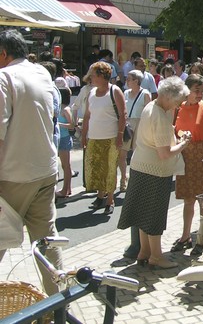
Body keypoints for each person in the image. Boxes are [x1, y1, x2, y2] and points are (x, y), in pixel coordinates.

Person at [0, 29, 63, 294]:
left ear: (3, 54)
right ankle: (59, 302)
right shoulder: (42, 73)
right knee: (47, 240)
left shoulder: (4, 77)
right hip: (45, 168)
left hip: (15, 173)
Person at [117, 77, 191, 269]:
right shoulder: (160, 114)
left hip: (140, 166)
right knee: (155, 215)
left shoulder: (151, 105)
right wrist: (183, 144)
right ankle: (156, 257)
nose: (179, 105)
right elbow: (165, 153)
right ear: (167, 97)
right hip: (155, 172)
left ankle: (144, 252)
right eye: (178, 101)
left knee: (143, 213)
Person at [172, 75, 203, 257]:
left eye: (202, 91)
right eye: (196, 90)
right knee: (188, 199)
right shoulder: (179, 108)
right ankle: (185, 237)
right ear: (187, 90)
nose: (200, 94)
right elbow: (174, 131)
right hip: (185, 156)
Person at [81, 61, 126, 215]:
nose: (90, 78)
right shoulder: (92, 93)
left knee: (109, 168)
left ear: (101, 76)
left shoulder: (115, 91)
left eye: (92, 75)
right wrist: (83, 135)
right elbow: (87, 116)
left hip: (111, 137)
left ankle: (110, 199)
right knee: (96, 168)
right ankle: (100, 195)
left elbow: (122, 115)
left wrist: (120, 136)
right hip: (94, 137)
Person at [118, 70, 151, 192]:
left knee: (137, 153)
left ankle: (136, 179)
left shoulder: (145, 94)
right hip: (127, 124)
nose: (126, 81)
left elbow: (149, 113)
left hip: (139, 123)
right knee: (122, 153)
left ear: (136, 81)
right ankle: (123, 178)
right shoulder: (125, 93)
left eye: (129, 79)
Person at [55, 88, 77, 199]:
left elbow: (72, 125)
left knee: (66, 165)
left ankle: (66, 189)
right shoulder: (57, 108)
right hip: (58, 138)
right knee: (60, 165)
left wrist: (58, 124)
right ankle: (66, 189)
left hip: (64, 138)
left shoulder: (65, 109)